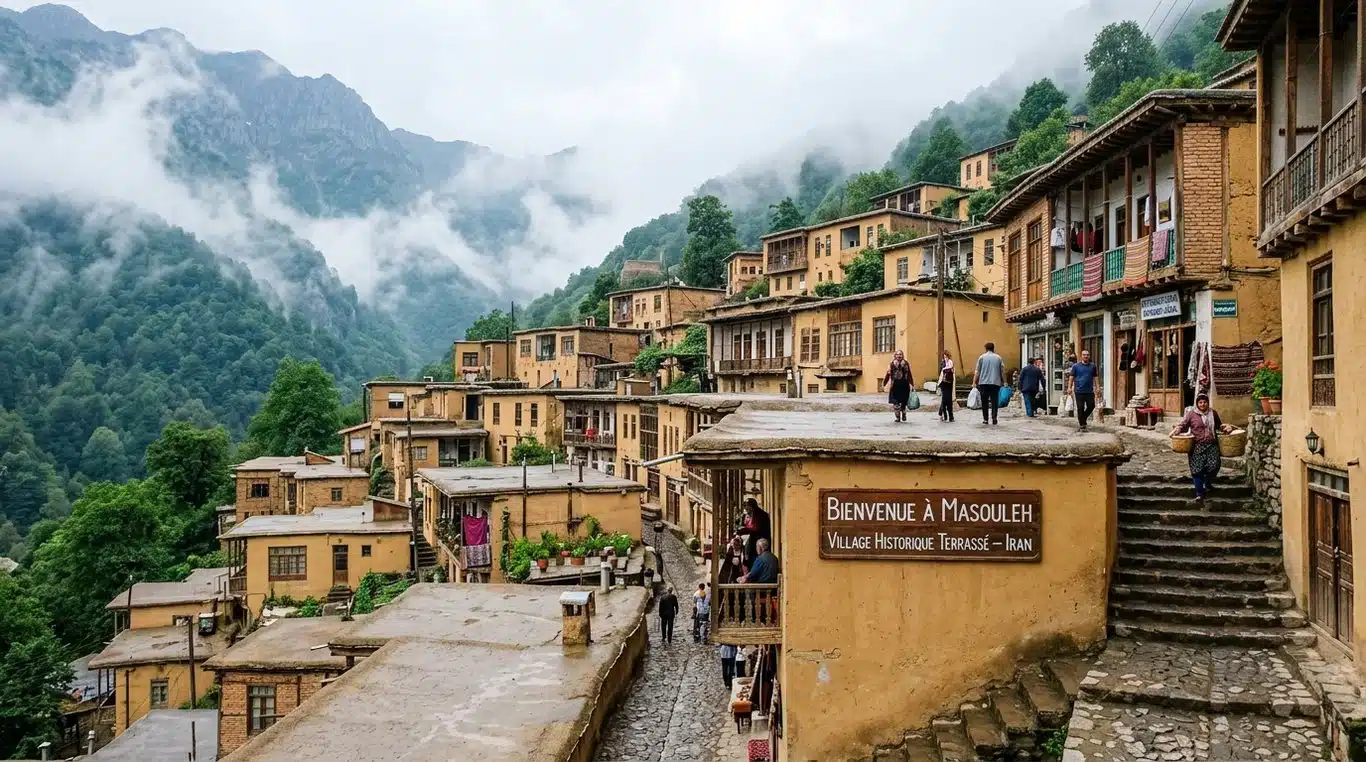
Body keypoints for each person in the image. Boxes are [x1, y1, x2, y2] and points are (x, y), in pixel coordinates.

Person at [1170, 393, 1232, 502]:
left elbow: (1219, 426)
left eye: (1205, 402)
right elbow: (1183, 425)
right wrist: (1178, 429)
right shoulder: (1191, 414)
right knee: (1197, 469)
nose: (1203, 404)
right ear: (1197, 404)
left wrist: (1226, 427)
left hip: (1212, 445)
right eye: (1200, 402)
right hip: (1197, 446)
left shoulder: (1213, 413)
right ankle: (1199, 493)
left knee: (1214, 466)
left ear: (1208, 403)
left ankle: (1207, 482)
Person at [973, 342, 1005, 426]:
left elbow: (977, 371)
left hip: (983, 383)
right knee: (995, 401)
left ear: (986, 348)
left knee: (984, 402)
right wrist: (1004, 381)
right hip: (995, 383)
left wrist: (974, 382)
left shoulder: (982, 357)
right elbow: (1002, 371)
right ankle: (994, 418)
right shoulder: (998, 358)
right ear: (993, 348)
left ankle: (985, 419)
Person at [1066, 349, 1099, 431]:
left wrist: (1098, 387)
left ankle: (1083, 418)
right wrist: (1069, 387)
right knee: (1080, 408)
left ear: (1089, 356)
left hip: (1089, 391)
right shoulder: (1076, 366)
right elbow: (1071, 377)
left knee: (1091, 406)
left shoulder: (1093, 366)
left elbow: (1095, 377)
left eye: (1087, 355)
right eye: (1084, 355)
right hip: (1079, 391)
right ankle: (1082, 425)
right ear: (1081, 356)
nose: (1086, 356)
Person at [883, 349, 914, 423]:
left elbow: (909, 374)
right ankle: (897, 417)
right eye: (897, 354)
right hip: (895, 385)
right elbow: (888, 374)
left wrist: (912, 384)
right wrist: (884, 383)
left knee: (903, 402)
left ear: (902, 356)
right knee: (895, 402)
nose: (899, 356)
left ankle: (903, 413)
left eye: (900, 354)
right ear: (895, 356)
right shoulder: (892, 364)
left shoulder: (906, 363)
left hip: (904, 385)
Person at [740, 498, 771, 566]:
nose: (746, 510)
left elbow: (756, 528)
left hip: (760, 539)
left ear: (752, 506)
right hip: (755, 539)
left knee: (755, 557)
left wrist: (744, 529)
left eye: (747, 507)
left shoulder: (760, 514)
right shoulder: (754, 513)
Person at [938, 351, 955, 422]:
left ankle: (950, 416)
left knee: (949, 399)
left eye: (947, 357)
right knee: (945, 399)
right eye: (944, 357)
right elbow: (942, 371)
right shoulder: (943, 362)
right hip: (943, 383)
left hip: (949, 383)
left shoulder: (951, 362)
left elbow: (952, 371)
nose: (946, 358)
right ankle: (944, 414)